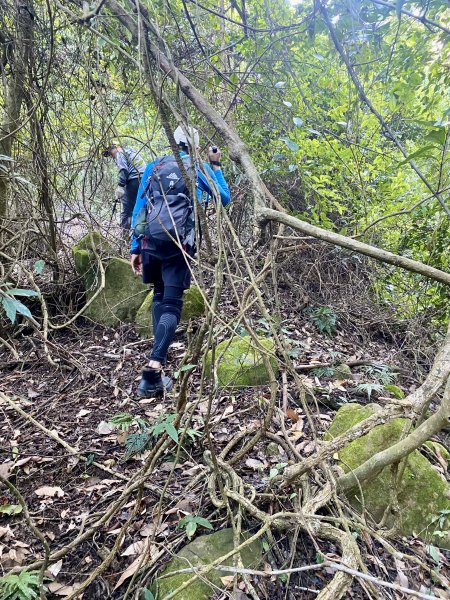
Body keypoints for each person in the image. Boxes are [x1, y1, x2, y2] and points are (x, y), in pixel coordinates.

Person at [130, 126, 231, 397]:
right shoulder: (196, 168)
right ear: (195, 146)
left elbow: (138, 209)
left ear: (173, 142)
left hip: (150, 241)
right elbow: (224, 198)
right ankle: (152, 370)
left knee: (158, 295)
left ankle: (156, 363)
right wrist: (216, 166)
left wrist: (135, 247)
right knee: (172, 303)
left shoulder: (155, 165)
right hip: (178, 245)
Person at [102, 141, 146, 231]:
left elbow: (123, 170)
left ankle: (125, 233)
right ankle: (139, 232)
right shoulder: (129, 152)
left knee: (127, 209)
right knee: (139, 206)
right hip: (143, 179)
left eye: (110, 153)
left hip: (134, 180)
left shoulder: (120, 153)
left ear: (113, 149)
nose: (112, 156)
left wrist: (120, 186)